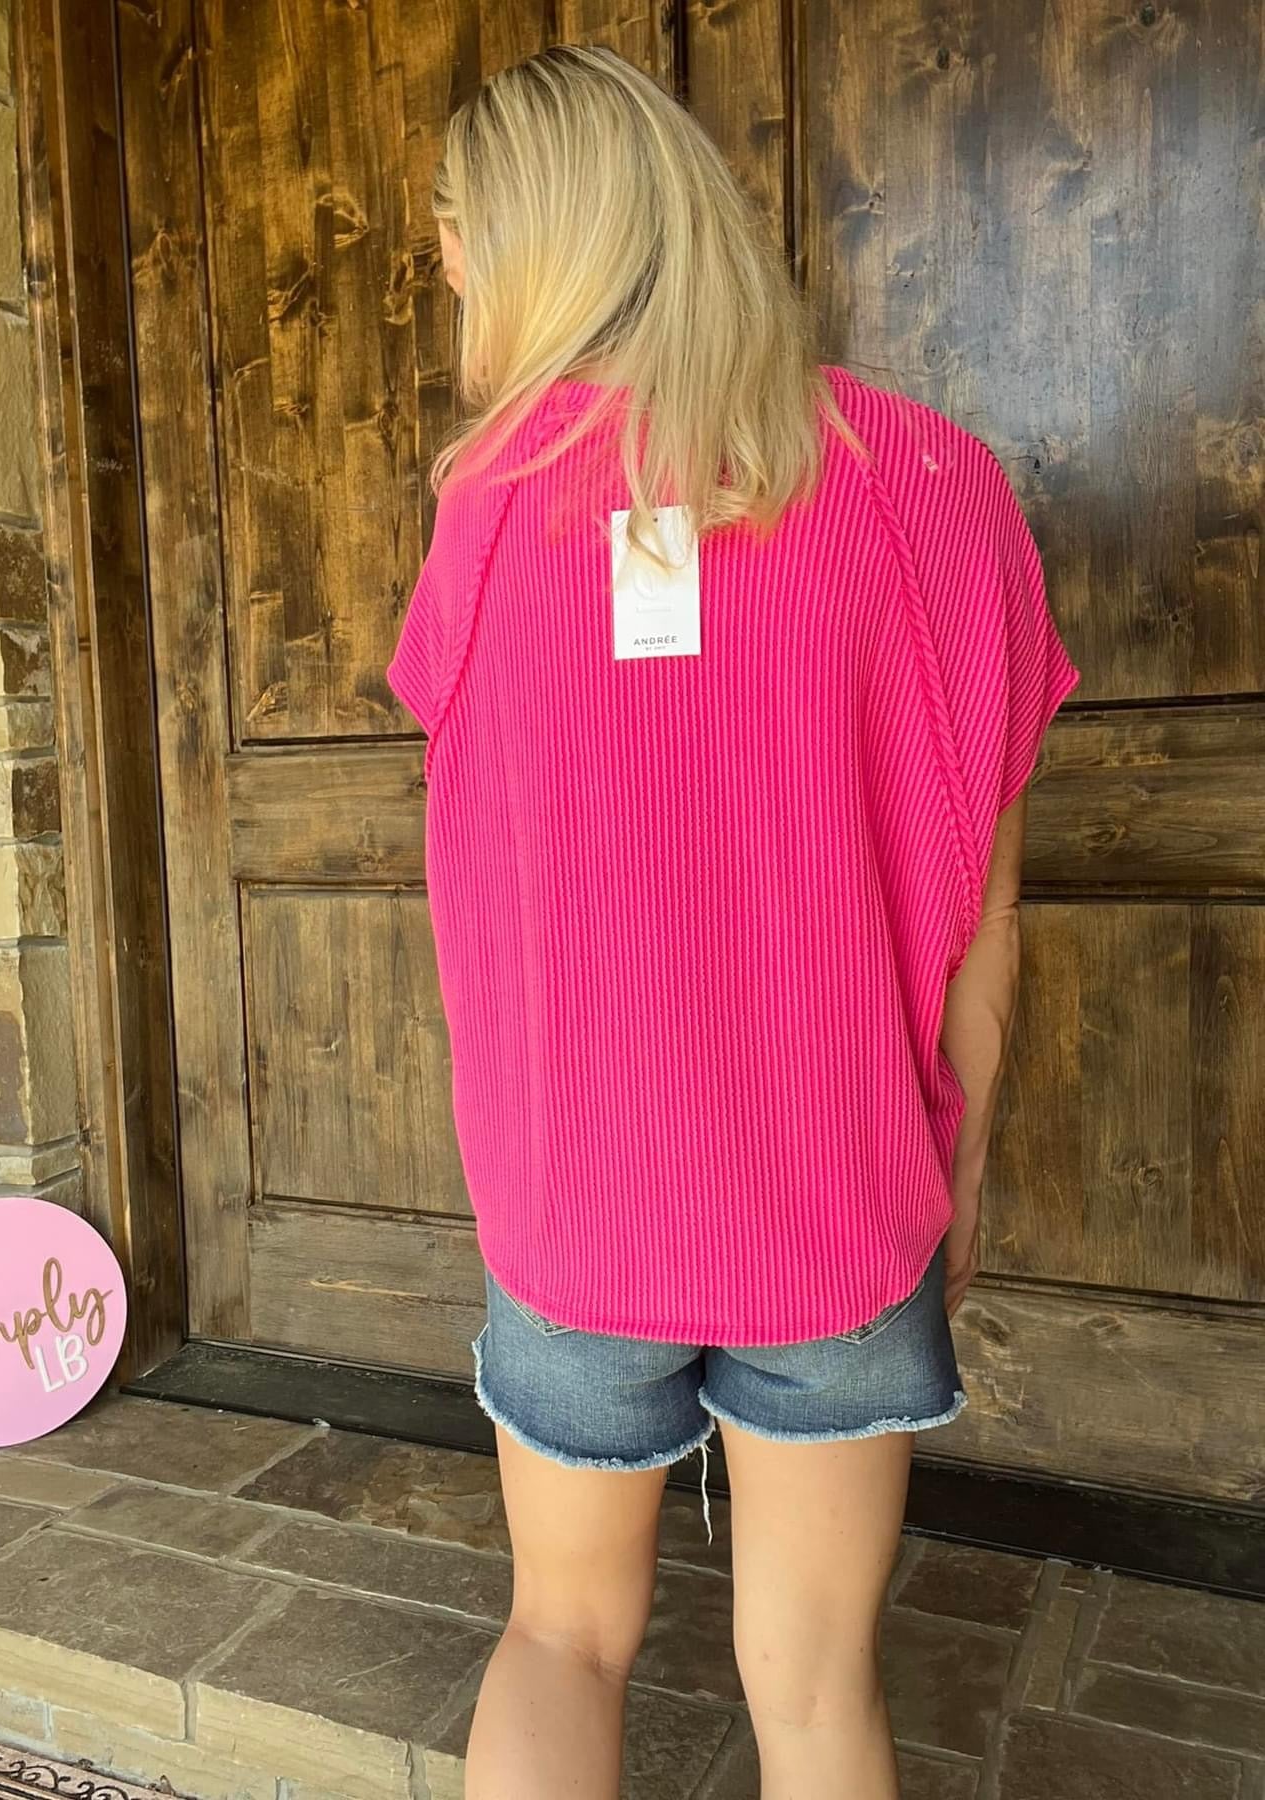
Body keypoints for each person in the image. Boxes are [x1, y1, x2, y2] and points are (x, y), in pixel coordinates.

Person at [386, 42, 1081, 1800]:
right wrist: (951, 1169)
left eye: (452, 241)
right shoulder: (934, 482)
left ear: (511, 243)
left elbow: (485, 867)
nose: (447, 271)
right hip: (840, 1203)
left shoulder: (486, 510)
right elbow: (986, 914)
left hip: (574, 1203)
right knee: (820, 1689)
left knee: (559, 1636)